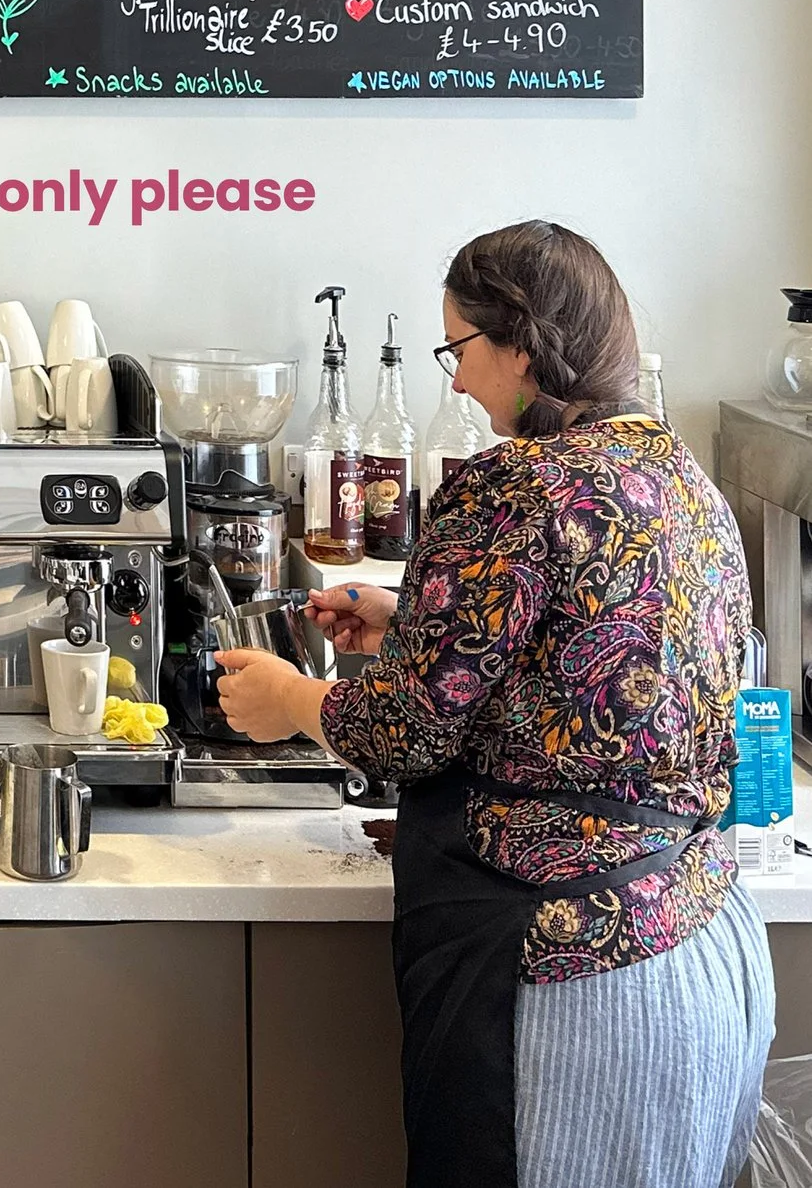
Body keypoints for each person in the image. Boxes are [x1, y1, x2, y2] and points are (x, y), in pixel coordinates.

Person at [218, 221, 773, 1188]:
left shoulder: (513, 485)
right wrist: (413, 622)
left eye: (460, 350)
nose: (461, 383)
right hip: (702, 937)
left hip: (575, 968)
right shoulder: (678, 475)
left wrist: (291, 697)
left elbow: (404, 732)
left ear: (521, 341)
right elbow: (607, 652)